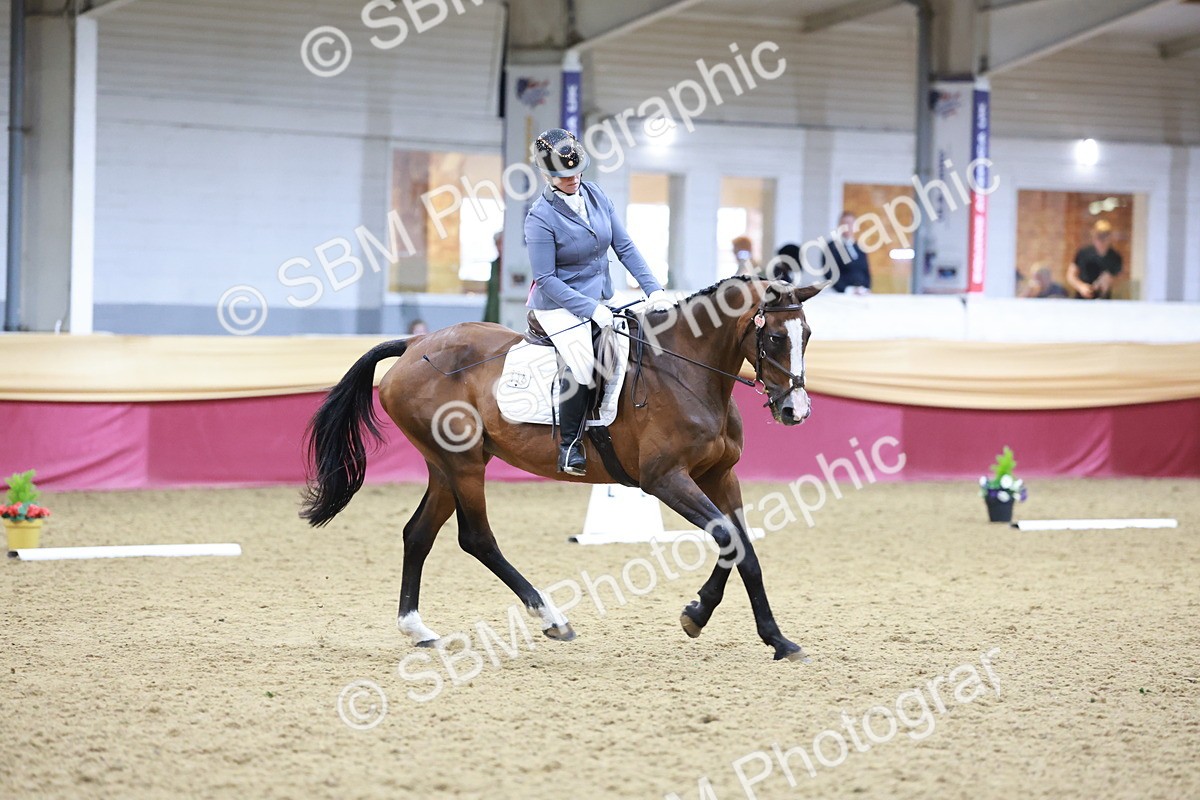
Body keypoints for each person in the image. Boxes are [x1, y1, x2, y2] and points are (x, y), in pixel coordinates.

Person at [524, 128, 672, 476]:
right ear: (546, 175)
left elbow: (624, 246)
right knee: (581, 363)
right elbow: (546, 279)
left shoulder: (596, 195)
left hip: (603, 295)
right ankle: (570, 445)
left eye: (576, 171)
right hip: (558, 305)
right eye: (564, 175)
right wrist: (590, 309)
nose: (573, 179)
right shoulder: (539, 217)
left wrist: (654, 289)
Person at [1067, 220, 1122, 299]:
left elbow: (1118, 279)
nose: (1101, 240)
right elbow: (1070, 275)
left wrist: (1108, 281)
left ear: (1110, 237)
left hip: (1103, 299)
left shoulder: (1114, 257)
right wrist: (1081, 286)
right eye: (1098, 236)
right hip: (1082, 299)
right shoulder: (1083, 253)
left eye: (1105, 236)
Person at [822, 211, 871, 294]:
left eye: (851, 223)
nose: (848, 227)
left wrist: (866, 288)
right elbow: (830, 274)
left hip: (862, 294)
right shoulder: (832, 247)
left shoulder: (859, 247)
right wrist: (847, 289)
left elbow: (866, 271)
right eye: (844, 223)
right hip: (841, 294)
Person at [484, 231, 501, 324]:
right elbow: (490, 295)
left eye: (501, 243)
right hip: (493, 315)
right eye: (497, 244)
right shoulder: (494, 265)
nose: (499, 248)